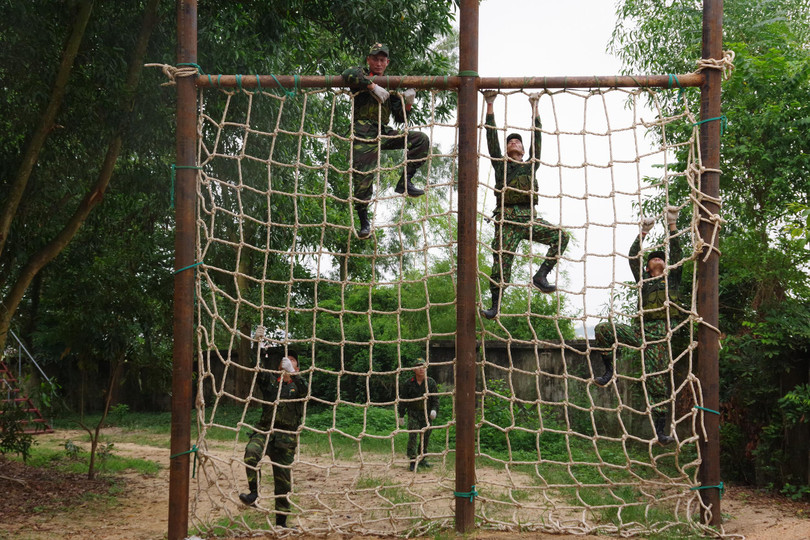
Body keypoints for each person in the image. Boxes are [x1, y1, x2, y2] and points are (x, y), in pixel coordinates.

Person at [593, 206, 683, 445]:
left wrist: (672, 225)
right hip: (638, 331)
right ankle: (609, 370)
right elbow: (634, 255)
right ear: (647, 268)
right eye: (654, 258)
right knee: (603, 329)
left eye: (661, 259)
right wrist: (643, 232)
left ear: (666, 266)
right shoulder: (643, 282)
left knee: (657, 383)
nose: (657, 259)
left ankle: (661, 431)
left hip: (659, 338)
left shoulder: (672, 280)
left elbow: (677, 250)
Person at [480, 91, 570, 319]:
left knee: (561, 237)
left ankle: (541, 276)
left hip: (529, 219)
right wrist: (490, 104)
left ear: (522, 149)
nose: (514, 142)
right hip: (507, 221)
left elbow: (537, 140)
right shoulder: (501, 167)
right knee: (501, 267)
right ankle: (495, 306)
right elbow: (491, 140)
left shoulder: (530, 166)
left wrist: (535, 107)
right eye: (510, 141)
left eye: (517, 141)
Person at [342, 43, 430, 239]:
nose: (379, 63)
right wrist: (372, 86)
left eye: (382, 60)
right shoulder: (361, 74)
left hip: (383, 130)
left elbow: (400, 117)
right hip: (363, 131)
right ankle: (364, 220)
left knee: (420, 140)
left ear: (387, 62)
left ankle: (405, 181)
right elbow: (347, 73)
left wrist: (408, 103)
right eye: (375, 59)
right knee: (363, 176)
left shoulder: (391, 82)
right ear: (369, 60)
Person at [239, 350, 308, 528]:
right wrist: (256, 345)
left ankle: (281, 523)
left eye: (292, 360)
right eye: (285, 360)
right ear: (279, 366)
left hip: (286, 439)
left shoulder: (298, 386)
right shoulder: (271, 382)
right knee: (251, 453)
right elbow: (256, 368)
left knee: (282, 483)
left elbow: (306, 392)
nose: (288, 361)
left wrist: (293, 374)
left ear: (297, 367)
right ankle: (253, 493)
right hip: (264, 432)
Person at [398, 358, 439, 471]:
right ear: (414, 369)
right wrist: (401, 415)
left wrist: (434, 410)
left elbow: (435, 399)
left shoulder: (431, 382)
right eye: (419, 366)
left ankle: (422, 459)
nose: (421, 369)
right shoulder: (408, 383)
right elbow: (403, 399)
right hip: (413, 413)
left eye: (423, 366)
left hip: (426, 414)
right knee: (413, 436)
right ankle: (412, 460)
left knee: (425, 437)